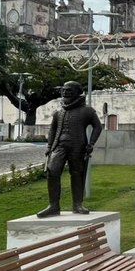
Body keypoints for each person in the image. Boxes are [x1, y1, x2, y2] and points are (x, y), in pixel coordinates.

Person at [37, 81, 103, 217]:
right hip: (59, 146)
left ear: (78, 92)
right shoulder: (59, 112)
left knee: (77, 175)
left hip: (78, 147)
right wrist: (49, 147)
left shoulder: (87, 111)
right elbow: (52, 130)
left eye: (69, 90)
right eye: (64, 90)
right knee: (52, 171)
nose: (65, 92)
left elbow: (98, 127)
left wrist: (91, 144)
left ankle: (77, 205)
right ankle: (53, 206)